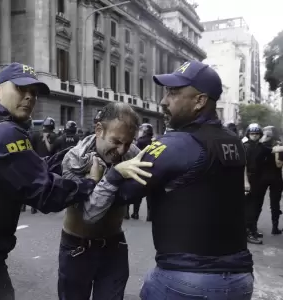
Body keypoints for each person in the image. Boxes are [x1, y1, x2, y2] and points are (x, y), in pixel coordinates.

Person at [0, 62, 150, 300]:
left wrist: (62, 158)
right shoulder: (1, 133)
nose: (29, 97)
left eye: (33, 93)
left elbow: (19, 171)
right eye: (21, 89)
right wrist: (90, 183)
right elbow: (44, 193)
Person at [93, 61, 255, 299]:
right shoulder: (233, 142)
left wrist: (104, 176)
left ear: (199, 101)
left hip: (186, 280)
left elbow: (121, 194)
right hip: (239, 280)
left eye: (173, 93)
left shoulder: (173, 146)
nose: (163, 101)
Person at [58, 103, 151, 300]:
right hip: (77, 248)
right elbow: (89, 213)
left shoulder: (132, 152)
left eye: (127, 142)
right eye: (116, 141)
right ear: (99, 130)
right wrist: (114, 176)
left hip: (114, 246)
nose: (121, 149)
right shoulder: (75, 159)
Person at [127, 123, 154, 221]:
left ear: (145, 131)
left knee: (135, 191)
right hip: (151, 169)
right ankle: (150, 215)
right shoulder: (155, 141)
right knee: (150, 194)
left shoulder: (140, 142)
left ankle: (134, 213)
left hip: (139, 168)